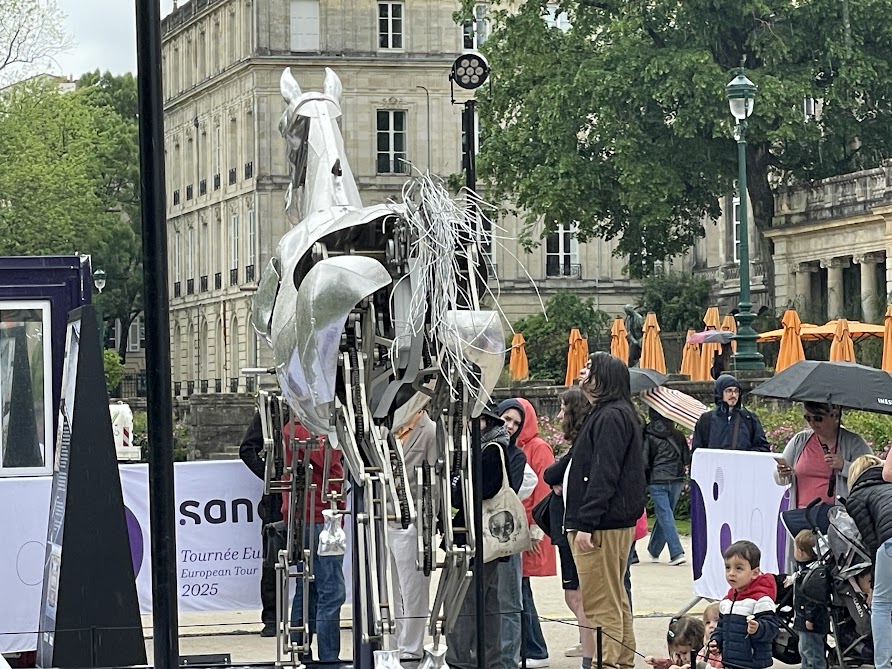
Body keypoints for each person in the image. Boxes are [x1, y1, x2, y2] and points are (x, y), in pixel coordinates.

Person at [565, 351, 646, 669]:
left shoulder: (611, 416)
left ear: (604, 378)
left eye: (589, 368)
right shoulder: (616, 412)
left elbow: (603, 473)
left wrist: (586, 522)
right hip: (611, 522)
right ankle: (621, 662)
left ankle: (608, 662)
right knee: (615, 599)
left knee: (601, 603)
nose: (582, 373)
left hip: (601, 526)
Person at [445, 406, 527, 669]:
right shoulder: (490, 447)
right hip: (483, 538)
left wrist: (458, 485)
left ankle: (462, 659)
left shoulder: (491, 449)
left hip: (480, 538)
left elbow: (481, 489)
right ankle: (489, 660)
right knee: (487, 600)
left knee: (465, 599)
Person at [498, 398, 556, 668]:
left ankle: (535, 649)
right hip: (516, 527)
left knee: (521, 591)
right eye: (507, 420)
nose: (510, 426)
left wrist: (535, 530)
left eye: (516, 422)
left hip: (529, 529)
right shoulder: (516, 445)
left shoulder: (538, 447)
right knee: (518, 590)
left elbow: (543, 490)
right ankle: (530, 648)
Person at [282, 420, 346, 662]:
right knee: (330, 590)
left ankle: (302, 653)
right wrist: (336, 431)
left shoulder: (297, 425)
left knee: (309, 588)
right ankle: (327, 657)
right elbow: (328, 454)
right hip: (317, 514)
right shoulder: (302, 427)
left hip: (314, 513)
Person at [544, 388, 595, 665]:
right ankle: (587, 647)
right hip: (568, 527)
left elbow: (551, 472)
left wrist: (558, 478)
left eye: (563, 409)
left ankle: (590, 655)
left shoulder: (581, 445)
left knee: (578, 598)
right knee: (575, 596)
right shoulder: (577, 444)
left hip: (575, 527)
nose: (560, 415)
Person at [386, 407, 437, 663]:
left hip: (413, 519)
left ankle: (412, 646)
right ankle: (393, 641)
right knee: (389, 586)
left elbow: (435, 480)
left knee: (413, 587)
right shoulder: (386, 428)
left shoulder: (430, 430)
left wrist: (429, 519)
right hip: (382, 515)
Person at [844, 454, 892, 669]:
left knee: (882, 604)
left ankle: (883, 665)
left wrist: (873, 585)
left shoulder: (856, 498)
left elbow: (873, 543)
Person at [774, 402, 871, 508]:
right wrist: (782, 473)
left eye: (818, 418)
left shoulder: (854, 442)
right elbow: (780, 478)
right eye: (808, 418)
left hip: (839, 518)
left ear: (835, 415)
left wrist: (844, 466)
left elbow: (870, 474)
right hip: (801, 515)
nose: (812, 423)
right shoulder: (800, 440)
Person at [238, 410, 281, 637]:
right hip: (277, 496)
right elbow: (247, 449)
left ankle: (307, 617)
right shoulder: (272, 409)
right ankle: (272, 618)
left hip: (309, 491)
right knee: (272, 559)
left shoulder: (320, 405)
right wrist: (271, 476)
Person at [711, 540, 780, 669]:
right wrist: (716, 641)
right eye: (727, 567)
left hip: (754, 664)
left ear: (754, 573)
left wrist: (758, 628)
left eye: (739, 568)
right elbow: (721, 627)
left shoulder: (761, 600)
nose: (731, 573)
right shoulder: (727, 601)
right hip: (729, 663)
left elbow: (773, 629)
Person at [643, 407, 689, 566]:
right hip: (676, 479)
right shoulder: (678, 435)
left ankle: (675, 552)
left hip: (657, 480)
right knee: (666, 514)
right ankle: (657, 550)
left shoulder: (648, 435)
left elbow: (644, 461)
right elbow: (686, 458)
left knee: (665, 515)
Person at [692, 375, 769, 452]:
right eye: (729, 391)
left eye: (736, 391)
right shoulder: (706, 420)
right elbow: (697, 452)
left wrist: (743, 456)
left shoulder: (749, 419)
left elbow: (763, 448)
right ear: (720, 392)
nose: (734, 395)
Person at [791, 530, 829, 669]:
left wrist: (809, 618)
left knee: (811, 652)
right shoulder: (811, 570)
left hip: (809, 622)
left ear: (801, 552)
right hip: (807, 620)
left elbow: (812, 599)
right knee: (805, 650)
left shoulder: (811, 575)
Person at [696, 603, 723, 668]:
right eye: (708, 622)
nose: (711, 625)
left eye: (717, 621)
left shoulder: (728, 651)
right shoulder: (705, 650)